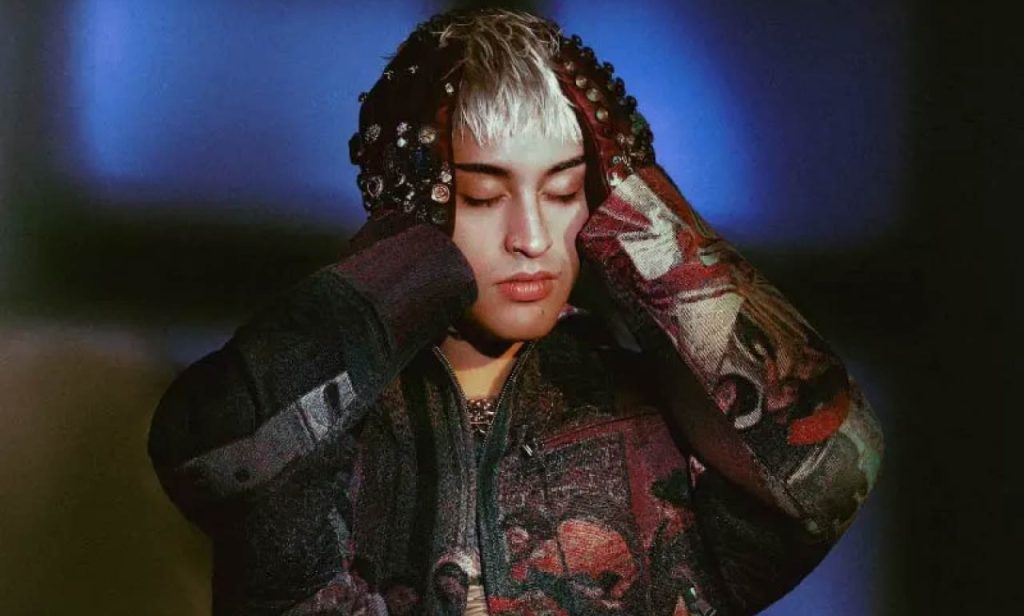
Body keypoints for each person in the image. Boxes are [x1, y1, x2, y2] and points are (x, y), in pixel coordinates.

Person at [147, 9, 884, 616]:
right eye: (483, 196)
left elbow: (832, 467)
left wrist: (641, 206)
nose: (531, 238)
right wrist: (405, 261)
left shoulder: (659, 419)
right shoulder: (334, 420)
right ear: (414, 205)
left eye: (565, 193)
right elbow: (217, 448)